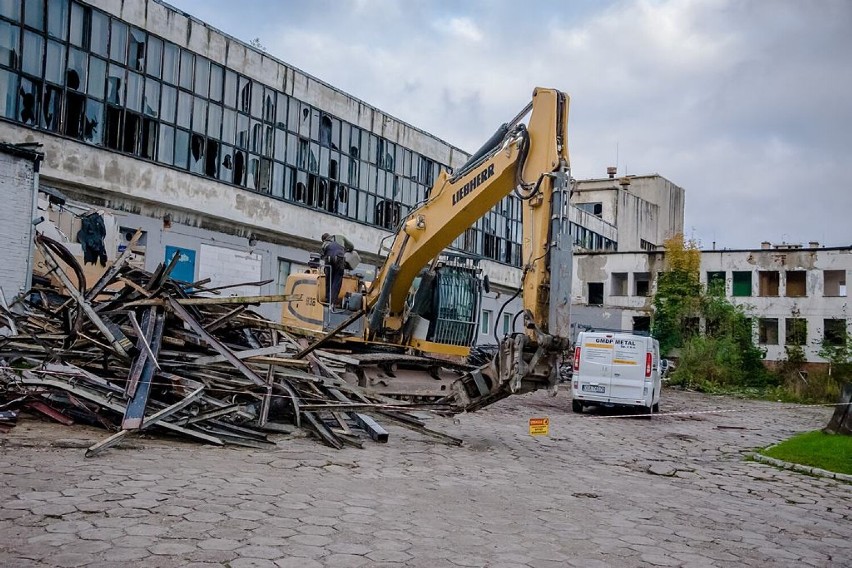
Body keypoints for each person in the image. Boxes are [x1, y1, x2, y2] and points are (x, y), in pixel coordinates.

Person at [321, 233, 347, 305]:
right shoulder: (339, 239)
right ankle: (332, 301)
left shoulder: (325, 244)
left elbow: (324, 255)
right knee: (337, 280)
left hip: (329, 260)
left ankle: (328, 299)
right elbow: (351, 246)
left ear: (324, 239)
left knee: (329, 279)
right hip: (339, 259)